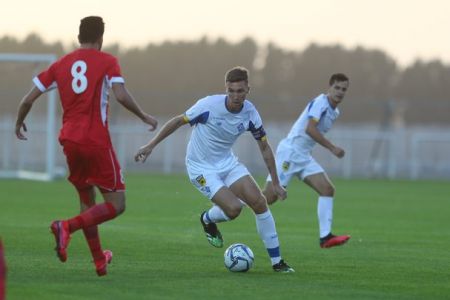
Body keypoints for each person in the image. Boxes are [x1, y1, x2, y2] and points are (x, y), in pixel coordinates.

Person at [14, 16, 158, 276]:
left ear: (78, 36)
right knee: (117, 203)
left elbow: (27, 99)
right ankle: (65, 226)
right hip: (95, 141)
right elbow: (121, 95)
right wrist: (144, 116)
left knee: (87, 202)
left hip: (69, 141)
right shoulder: (107, 61)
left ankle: (99, 262)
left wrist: (18, 123)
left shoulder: (60, 65)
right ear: (101, 38)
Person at [135, 66, 294, 273]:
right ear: (226, 89)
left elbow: (264, 146)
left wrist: (275, 182)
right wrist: (150, 145)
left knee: (259, 202)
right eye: (231, 91)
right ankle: (207, 219)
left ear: (248, 89)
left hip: (227, 163)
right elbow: (177, 121)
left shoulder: (251, 113)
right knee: (234, 209)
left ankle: (277, 262)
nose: (235, 96)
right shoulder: (209, 105)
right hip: (200, 168)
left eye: (240, 91)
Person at [263, 73, 351, 248]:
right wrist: (332, 148)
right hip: (290, 153)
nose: (340, 92)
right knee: (266, 198)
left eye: (344, 89)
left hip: (303, 156)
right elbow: (310, 129)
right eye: (337, 88)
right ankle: (225, 208)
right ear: (329, 88)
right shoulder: (321, 103)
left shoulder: (335, 111)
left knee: (327, 189)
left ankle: (325, 237)